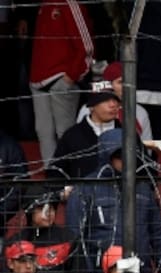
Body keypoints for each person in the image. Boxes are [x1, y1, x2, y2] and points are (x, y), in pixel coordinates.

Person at [63, 128, 161, 273]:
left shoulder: (144, 188)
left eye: (132, 154)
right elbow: (75, 236)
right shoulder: (85, 188)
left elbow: (157, 232)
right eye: (120, 156)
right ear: (107, 156)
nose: (127, 160)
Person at [27, 0, 94, 165]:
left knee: (65, 132)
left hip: (60, 78)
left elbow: (87, 46)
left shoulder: (70, 3)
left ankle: (69, 181)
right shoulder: (44, 4)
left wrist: (71, 76)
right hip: (38, 80)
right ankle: (52, 178)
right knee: (43, 131)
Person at [48, 81, 119, 181]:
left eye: (115, 99)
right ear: (91, 106)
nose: (113, 105)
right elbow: (55, 172)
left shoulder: (128, 134)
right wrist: (64, 191)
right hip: (82, 195)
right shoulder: (72, 136)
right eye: (106, 100)